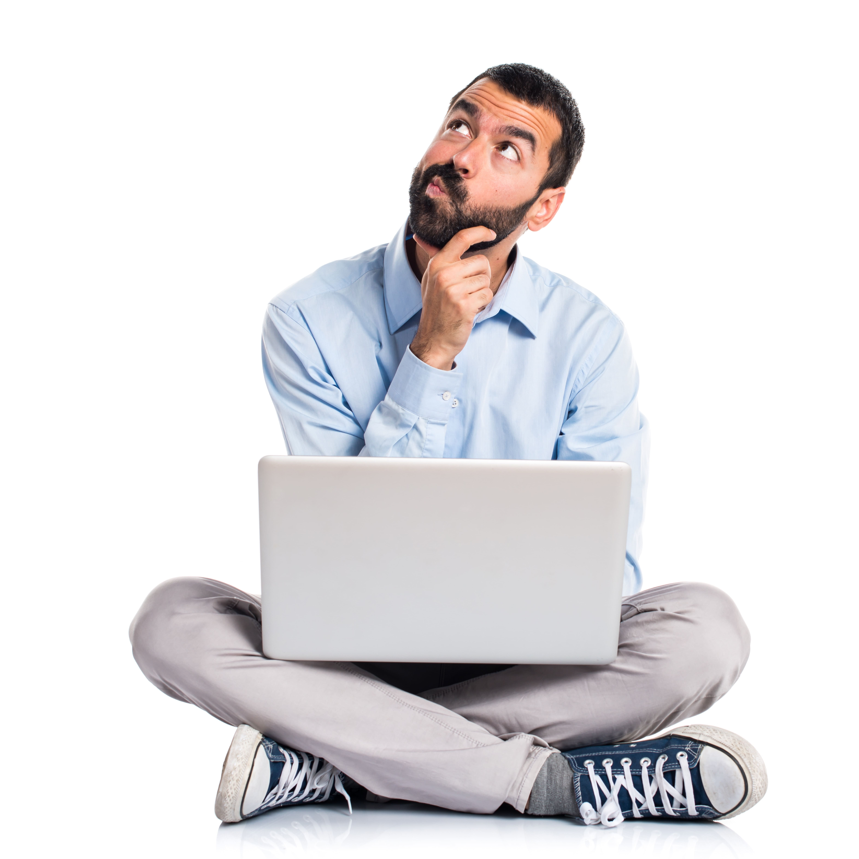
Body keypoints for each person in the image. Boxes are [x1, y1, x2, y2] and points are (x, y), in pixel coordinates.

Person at [129, 63, 766, 828]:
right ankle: (548, 782)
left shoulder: (587, 336)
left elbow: (608, 581)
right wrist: (429, 354)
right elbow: (342, 554)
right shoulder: (308, 316)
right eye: (459, 124)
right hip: (348, 657)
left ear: (544, 206)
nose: (462, 154)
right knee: (171, 620)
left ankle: (336, 758)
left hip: (530, 667)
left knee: (707, 633)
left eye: (506, 148)